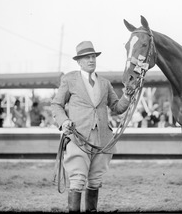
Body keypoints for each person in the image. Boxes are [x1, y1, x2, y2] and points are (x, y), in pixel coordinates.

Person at [51, 41, 133, 212]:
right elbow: (56, 105)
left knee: (95, 181)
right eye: (87, 57)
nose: (91, 60)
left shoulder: (105, 83)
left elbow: (117, 107)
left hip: (102, 140)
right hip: (77, 137)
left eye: (93, 56)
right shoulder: (69, 80)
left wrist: (127, 95)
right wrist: (64, 121)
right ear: (79, 61)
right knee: (78, 180)